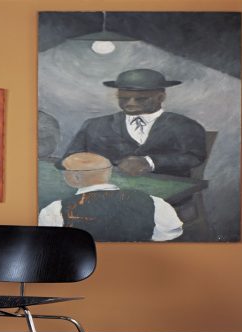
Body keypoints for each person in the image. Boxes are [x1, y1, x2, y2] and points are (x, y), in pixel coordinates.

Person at [62, 68, 207, 178]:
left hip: (163, 197)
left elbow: (195, 157)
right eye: (124, 98)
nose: (130, 104)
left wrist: (149, 162)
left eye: (141, 99)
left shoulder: (184, 125)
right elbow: (69, 159)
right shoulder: (94, 125)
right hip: (105, 191)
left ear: (161, 97)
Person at [38, 152, 182, 242]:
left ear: (74, 177)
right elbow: (171, 232)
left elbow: (49, 242)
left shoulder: (55, 210)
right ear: (110, 173)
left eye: (65, 173)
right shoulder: (154, 201)